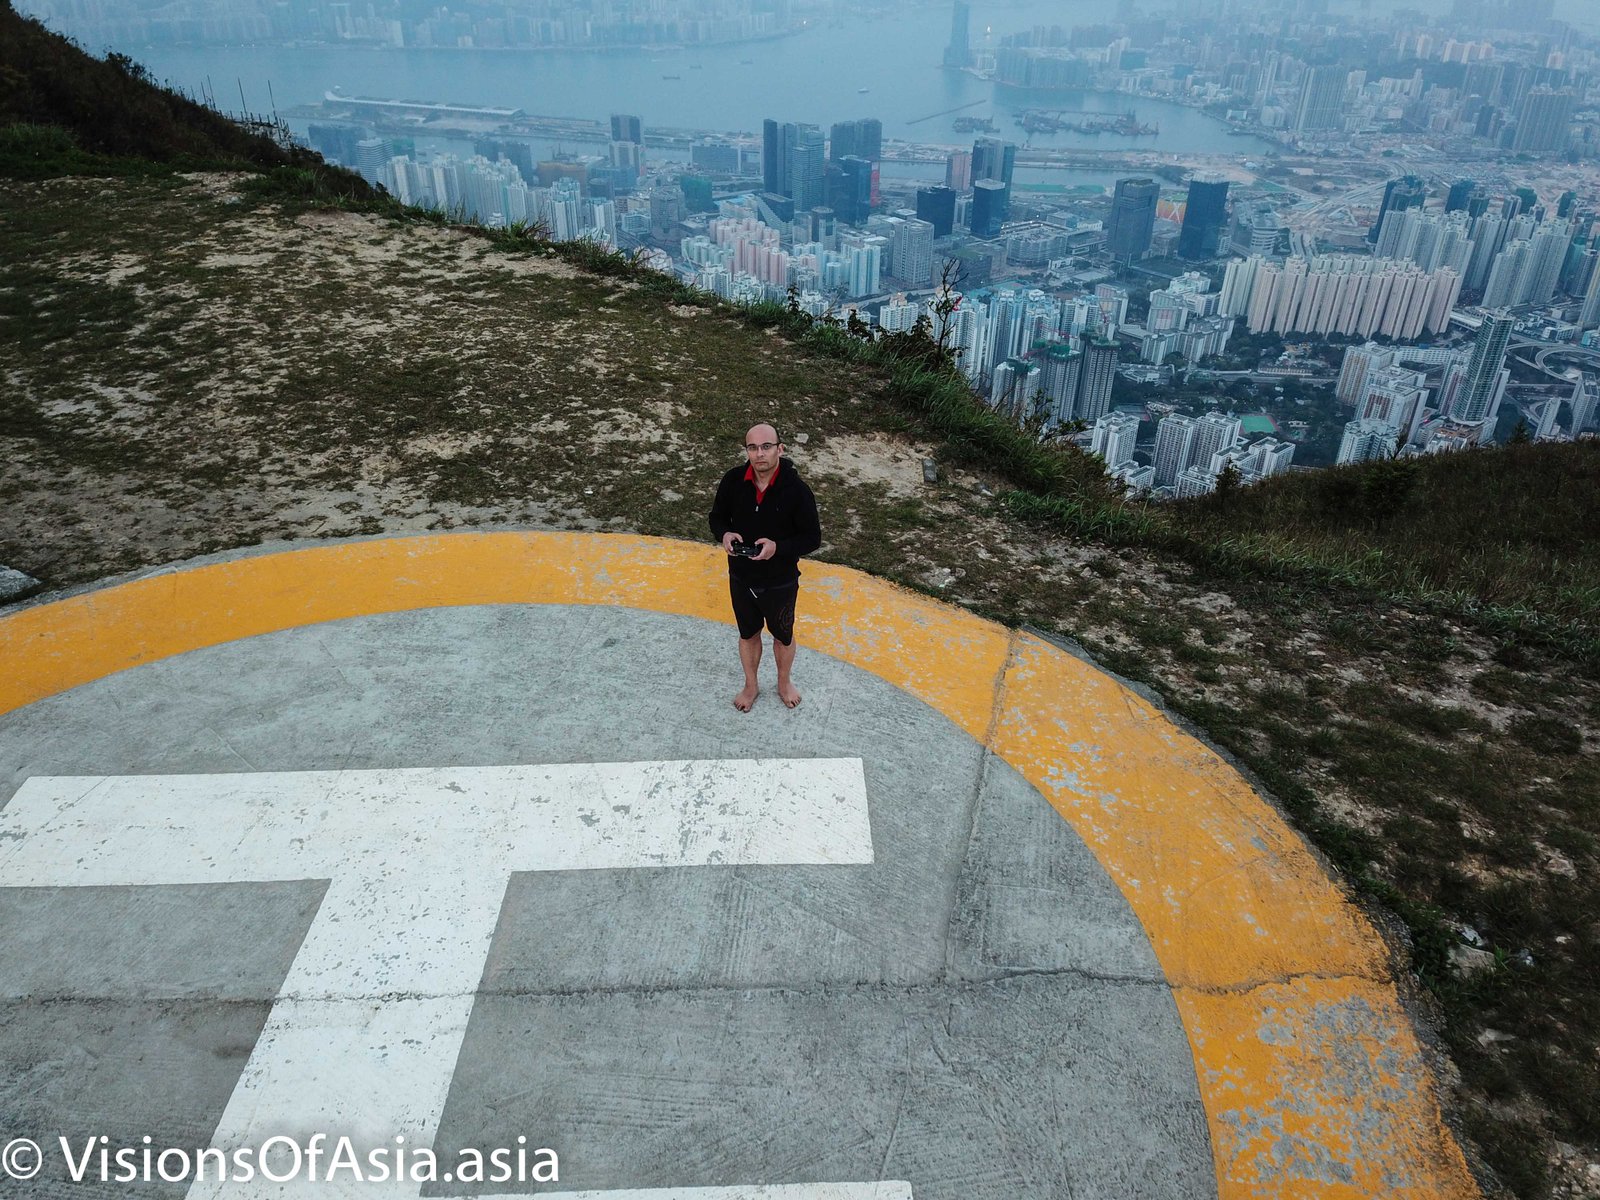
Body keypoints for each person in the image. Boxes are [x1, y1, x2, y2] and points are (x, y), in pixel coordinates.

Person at [708, 422, 821, 711]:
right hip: (741, 576)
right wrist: (725, 534)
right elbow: (716, 517)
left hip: (780, 580)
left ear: (780, 449)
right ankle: (751, 685)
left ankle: (784, 683)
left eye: (766, 447)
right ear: (746, 450)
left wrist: (778, 547)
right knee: (748, 634)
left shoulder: (797, 491)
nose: (760, 454)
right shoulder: (733, 481)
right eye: (753, 447)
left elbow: (812, 538)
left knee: (783, 635)